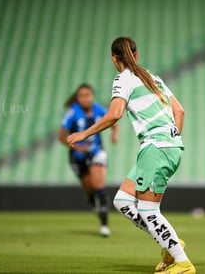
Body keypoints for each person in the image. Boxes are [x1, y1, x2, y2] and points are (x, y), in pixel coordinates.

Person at [67, 37, 196, 274]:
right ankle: (171, 243)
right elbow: (179, 110)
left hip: (156, 149)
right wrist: (172, 138)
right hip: (165, 146)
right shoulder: (152, 77)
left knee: (148, 211)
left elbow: (115, 114)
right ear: (136, 55)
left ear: (114, 59)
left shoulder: (123, 79)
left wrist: (85, 133)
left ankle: (183, 263)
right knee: (123, 202)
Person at [59, 83, 119, 237]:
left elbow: (113, 121)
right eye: (81, 96)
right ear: (77, 98)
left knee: (99, 187)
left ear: (92, 96)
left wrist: (114, 134)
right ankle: (94, 204)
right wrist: (78, 148)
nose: (85, 99)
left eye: (88, 95)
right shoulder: (72, 113)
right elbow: (62, 136)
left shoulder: (99, 109)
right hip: (78, 157)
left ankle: (104, 225)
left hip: (96, 152)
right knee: (91, 191)